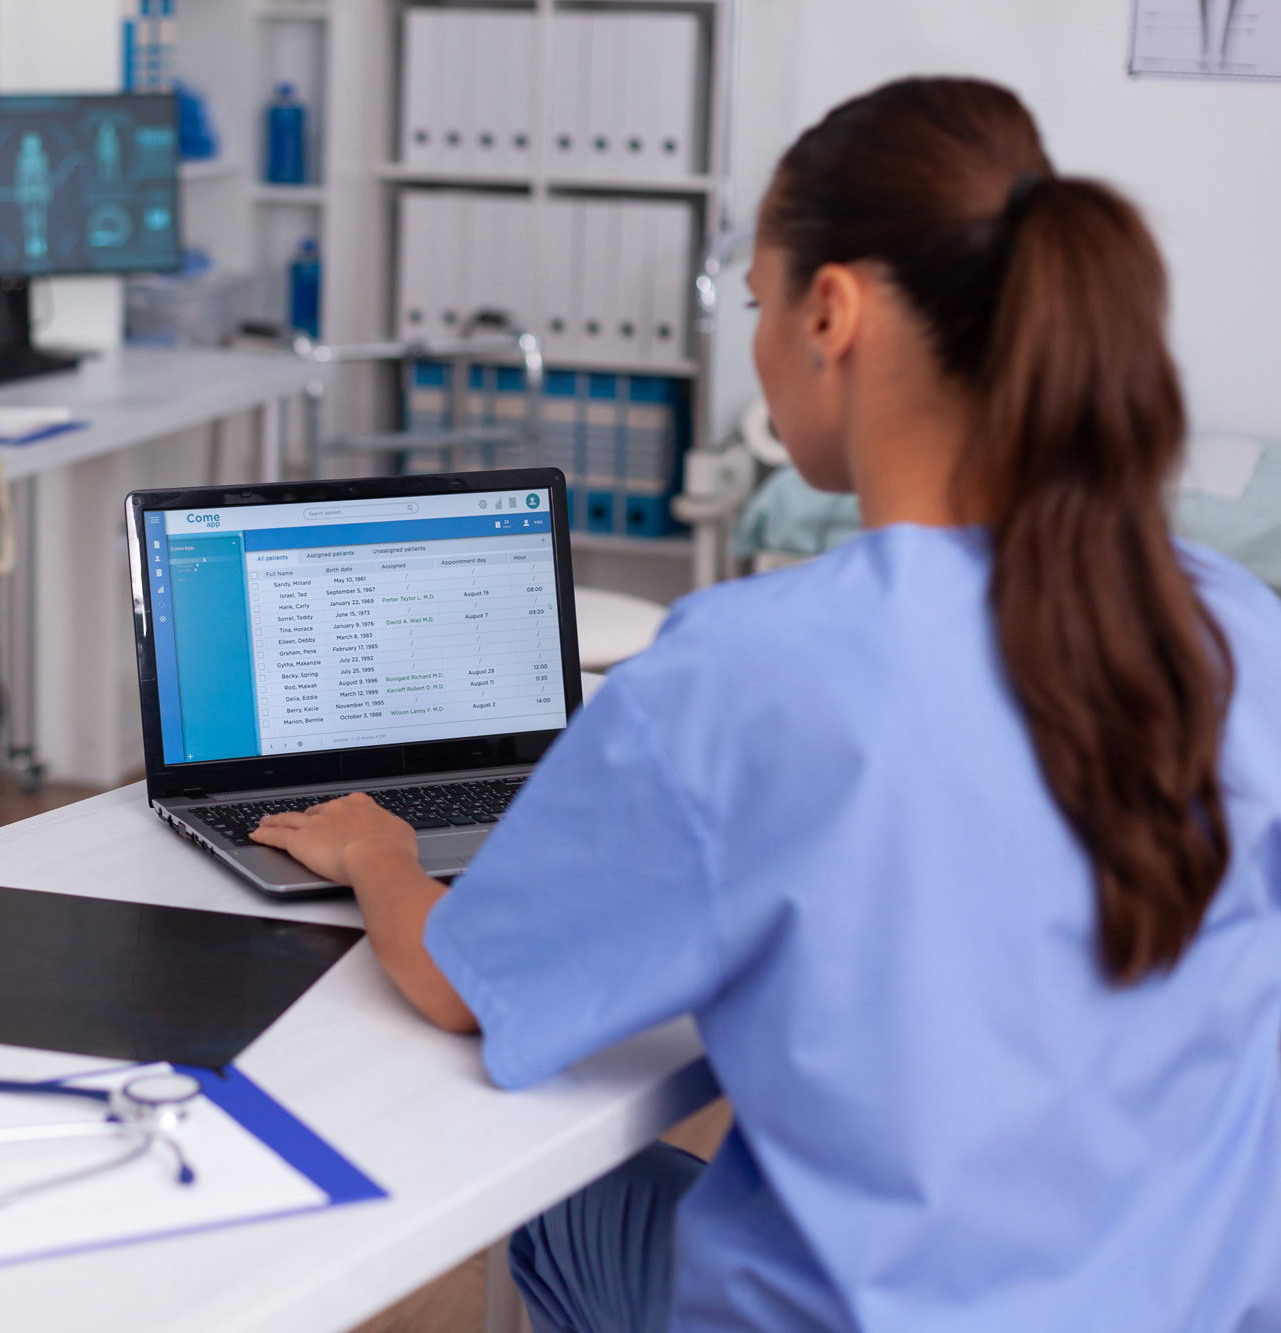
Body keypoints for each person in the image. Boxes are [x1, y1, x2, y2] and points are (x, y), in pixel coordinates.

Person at [251, 76, 1281, 1331]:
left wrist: (375, 849)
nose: (753, 342)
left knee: (546, 1183)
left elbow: (462, 985)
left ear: (828, 313)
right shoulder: (1233, 623)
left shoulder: (749, 670)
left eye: (754, 306)